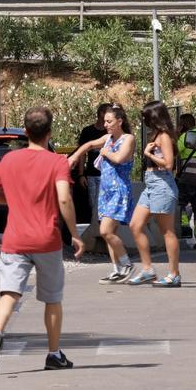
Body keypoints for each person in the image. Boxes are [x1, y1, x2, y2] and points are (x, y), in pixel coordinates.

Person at [0, 106, 85, 375]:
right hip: (46, 240)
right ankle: (53, 353)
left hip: (15, 239)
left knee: (10, 292)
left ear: (25, 132)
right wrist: (74, 234)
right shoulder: (56, 162)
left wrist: (15, 201)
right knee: (52, 298)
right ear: (49, 133)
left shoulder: (10, 160)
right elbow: (64, 198)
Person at [68, 104, 135, 284]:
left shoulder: (128, 139)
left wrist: (105, 151)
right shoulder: (107, 138)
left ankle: (127, 264)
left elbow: (120, 158)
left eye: (109, 121)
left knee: (105, 231)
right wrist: (75, 157)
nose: (105, 125)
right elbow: (89, 144)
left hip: (119, 191)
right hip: (106, 191)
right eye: (105, 121)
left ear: (119, 121)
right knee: (109, 233)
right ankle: (117, 270)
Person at [127, 101, 182, 287]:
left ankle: (174, 274)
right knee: (135, 225)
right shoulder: (157, 134)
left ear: (155, 117)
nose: (144, 120)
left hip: (162, 184)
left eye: (146, 117)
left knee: (167, 231)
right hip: (151, 184)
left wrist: (148, 155)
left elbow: (168, 164)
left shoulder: (164, 136)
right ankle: (148, 269)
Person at [75, 103, 111, 223]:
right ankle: (95, 228)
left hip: (106, 174)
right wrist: (81, 174)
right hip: (91, 174)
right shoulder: (88, 131)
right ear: (101, 114)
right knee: (92, 204)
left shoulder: (110, 133)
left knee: (104, 205)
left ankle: (102, 229)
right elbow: (82, 154)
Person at [175, 114, 196, 238]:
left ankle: (185, 229)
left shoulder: (183, 137)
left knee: (181, 204)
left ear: (183, 125)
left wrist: (176, 135)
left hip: (186, 177)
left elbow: (174, 151)